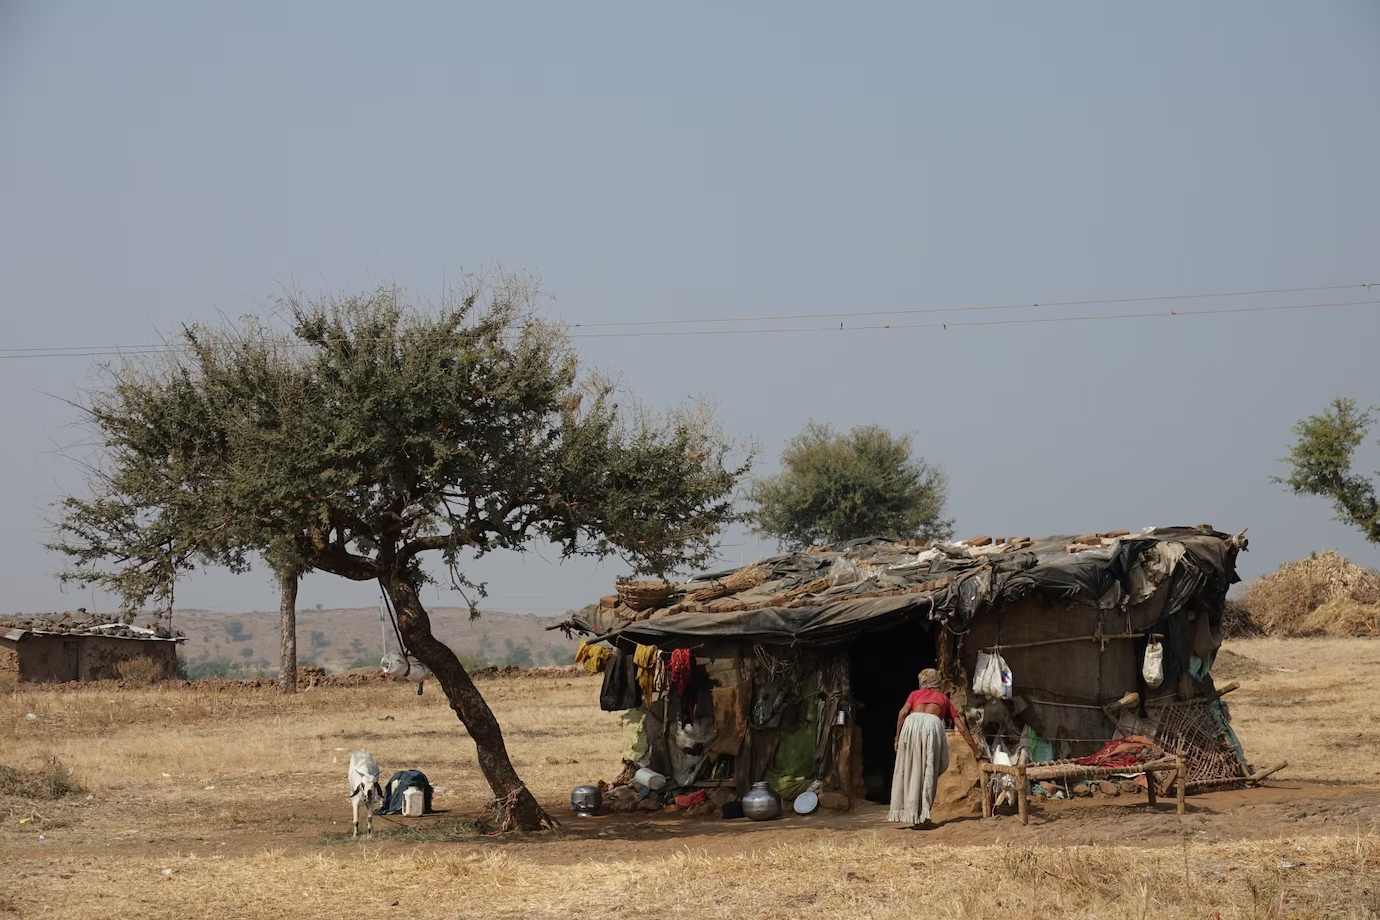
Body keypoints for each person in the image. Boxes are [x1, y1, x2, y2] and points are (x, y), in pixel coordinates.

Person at [889, 668, 984, 829]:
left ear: (923, 682)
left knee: (909, 770)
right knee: (928, 772)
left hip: (910, 725)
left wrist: (898, 737)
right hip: (932, 727)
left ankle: (906, 812)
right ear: (936, 682)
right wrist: (976, 750)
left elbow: (902, 713)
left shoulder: (914, 694)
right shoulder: (943, 699)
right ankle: (924, 817)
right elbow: (961, 727)